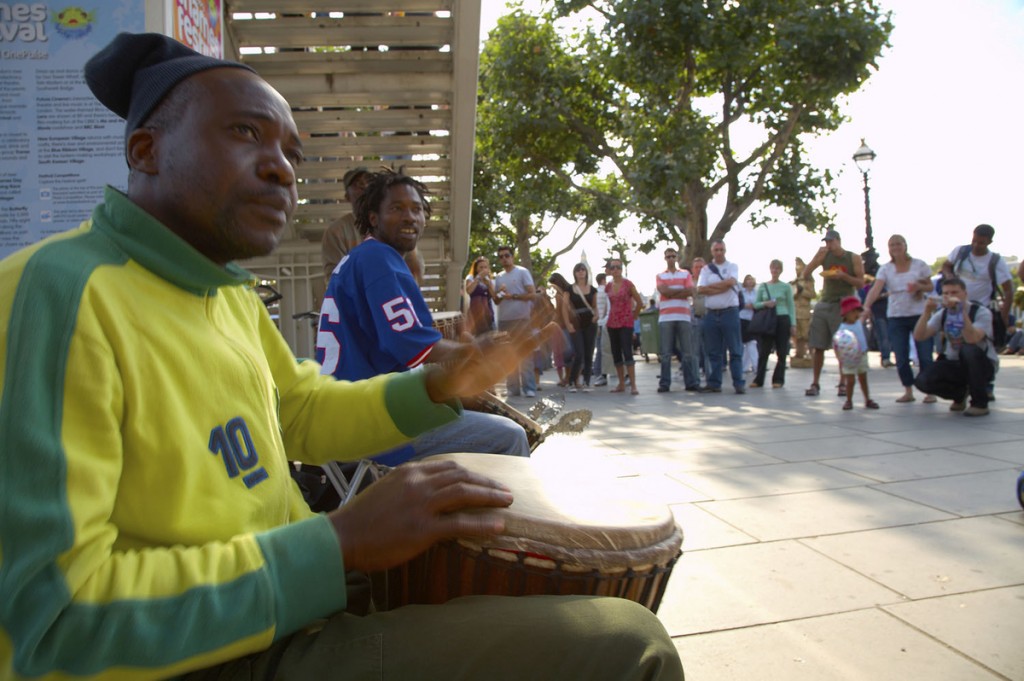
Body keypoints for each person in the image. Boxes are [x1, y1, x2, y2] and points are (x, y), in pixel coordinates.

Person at [0, 33, 684, 681]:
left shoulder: (224, 291)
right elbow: (53, 621)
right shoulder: (58, 292)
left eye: (293, 151)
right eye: (245, 132)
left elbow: (300, 409)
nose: (281, 167)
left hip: (283, 600)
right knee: (630, 644)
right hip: (208, 655)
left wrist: (434, 384)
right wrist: (334, 544)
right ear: (146, 150)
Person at [317, 169, 529, 460]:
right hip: (372, 424)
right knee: (511, 436)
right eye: (396, 208)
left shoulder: (361, 258)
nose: (409, 217)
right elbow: (412, 345)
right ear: (373, 219)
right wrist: (475, 349)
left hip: (348, 411)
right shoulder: (378, 258)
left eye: (416, 209)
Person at [861, 234, 936, 404]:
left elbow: (930, 286)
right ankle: (908, 390)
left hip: (919, 314)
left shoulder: (919, 265)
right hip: (896, 315)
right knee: (901, 356)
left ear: (905, 245)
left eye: (898, 244)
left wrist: (918, 286)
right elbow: (875, 289)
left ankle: (929, 390)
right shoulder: (886, 269)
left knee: (925, 354)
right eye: (891, 245)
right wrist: (866, 306)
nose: (895, 248)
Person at [321, 165, 425, 287]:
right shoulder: (336, 231)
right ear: (347, 197)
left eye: (368, 182)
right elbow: (334, 280)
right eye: (357, 184)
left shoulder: (394, 227)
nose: (364, 186)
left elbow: (415, 274)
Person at [913, 277, 999, 417]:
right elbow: (919, 336)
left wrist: (960, 312)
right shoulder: (943, 314)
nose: (950, 296)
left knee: (968, 350)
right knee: (923, 380)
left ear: (965, 294)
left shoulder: (981, 312)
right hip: (955, 363)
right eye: (946, 293)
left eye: (955, 292)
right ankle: (959, 395)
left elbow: (972, 339)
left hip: (982, 364)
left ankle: (980, 403)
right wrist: (926, 312)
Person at [802, 230, 865, 397]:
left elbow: (861, 283)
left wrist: (844, 276)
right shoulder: (824, 256)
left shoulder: (853, 258)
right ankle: (815, 383)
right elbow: (805, 274)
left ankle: (842, 383)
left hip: (844, 305)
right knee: (818, 345)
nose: (828, 245)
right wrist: (816, 259)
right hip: (825, 303)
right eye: (826, 242)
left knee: (842, 346)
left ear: (838, 241)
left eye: (831, 242)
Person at [696, 241, 746, 394]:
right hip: (712, 313)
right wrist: (722, 286)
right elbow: (700, 289)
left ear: (725, 250)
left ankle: (738, 382)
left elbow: (731, 282)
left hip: (729, 312)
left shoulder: (732, 266)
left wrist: (712, 288)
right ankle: (714, 383)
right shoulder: (705, 269)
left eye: (721, 250)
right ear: (712, 251)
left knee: (735, 350)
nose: (719, 252)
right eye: (716, 250)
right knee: (713, 351)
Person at [494, 245, 538, 398]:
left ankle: (529, 387)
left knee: (525, 353)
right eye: (501, 256)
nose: (504, 259)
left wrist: (513, 296)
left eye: (507, 255)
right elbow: (497, 300)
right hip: (504, 321)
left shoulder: (522, 272)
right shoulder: (498, 277)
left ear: (512, 257)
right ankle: (513, 388)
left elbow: (532, 294)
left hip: (522, 320)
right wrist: (500, 295)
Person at [655, 247, 699, 393]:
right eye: (668, 256)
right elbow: (664, 291)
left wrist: (671, 293)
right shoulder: (660, 275)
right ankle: (664, 383)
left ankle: (690, 382)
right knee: (666, 353)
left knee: (687, 352)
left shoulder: (685, 274)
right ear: (665, 258)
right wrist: (680, 292)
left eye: (673, 256)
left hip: (683, 316)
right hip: (666, 317)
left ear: (677, 258)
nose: (671, 259)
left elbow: (690, 291)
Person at [751, 259, 796, 388]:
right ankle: (758, 379)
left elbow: (791, 306)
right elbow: (756, 304)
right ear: (770, 269)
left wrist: (793, 324)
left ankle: (778, 379)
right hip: (768, 320)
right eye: (773, 268)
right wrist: (766, 303)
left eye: (777, 268)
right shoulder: (763, 286)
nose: (775, 271)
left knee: (782, 350)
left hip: (783, 318)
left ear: (780, 271)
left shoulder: (786, 287)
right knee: (764, 350)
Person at [605, 258, 645, 394]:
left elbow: (639, 302)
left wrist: (633, 317)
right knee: (616, 353)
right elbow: (605, 303)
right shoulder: (608, 286)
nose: (615, 270)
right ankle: (621, 383)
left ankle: (633, 385)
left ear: (621, 269)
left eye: (618, 267)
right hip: (612, 322)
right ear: (609, 270)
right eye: (613, 267)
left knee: (627, 352)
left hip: (625, 322)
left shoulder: (628, 284)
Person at [837, 296, 879, 410]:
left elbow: (865, 313)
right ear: (846, 313)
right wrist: (839, 357)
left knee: (863, 378)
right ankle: (849, 400)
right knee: (850, 380)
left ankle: (867, 399)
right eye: (853, 311)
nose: (856, 314)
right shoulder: (842, 328)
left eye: (857, 311)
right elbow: (838, 343)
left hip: (862, 355)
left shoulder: (859, 323)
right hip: (849, 358)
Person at [565, 262, 598, 392]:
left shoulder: (592, 289)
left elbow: (595, 306)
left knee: (589, 354)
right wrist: (567, 323)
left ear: (586, 272)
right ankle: (572, 381)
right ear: (574, 273)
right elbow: (564, 307)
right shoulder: (569, 289)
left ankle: (586, 382)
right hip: (576, 323)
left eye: (583, 270)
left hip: (590, 323)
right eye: (578, 270)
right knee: (579, 353)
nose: (581, 272)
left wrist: (596, 316)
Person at [790, 256, 816, 368]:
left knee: (806, 335)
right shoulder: (794, 282)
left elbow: (812, 295)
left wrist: (803, 291)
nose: (797, 269)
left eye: (799, 266)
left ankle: (810, 354)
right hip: (795, 311)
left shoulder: (808, 281)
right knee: (797, 335)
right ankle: (799, 354)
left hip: (805, 312)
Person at [464, 255, 497, 335]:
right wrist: (478, 278)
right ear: (476, 268)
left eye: (485, 267)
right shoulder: (471, 278)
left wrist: (489, 285)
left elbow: (495, 297)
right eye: (481, 267)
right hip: (475, 315)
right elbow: (469, 290)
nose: (483, 269)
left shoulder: (489, 280)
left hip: (488, 314)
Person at [592, 270, 612, 386]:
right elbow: (604, 310)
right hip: (605, 322)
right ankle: (602, 373)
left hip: (598, 323)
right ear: (603, 280)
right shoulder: (606, 292)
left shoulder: (594, 292)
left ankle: (598, 373)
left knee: (599, 350)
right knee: (604, 350)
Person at [739, 274, 759, 374]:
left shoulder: (756, 292)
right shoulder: (742, 292)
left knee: (751, 342)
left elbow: (758, 304)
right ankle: (752, 365)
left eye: (751, 279)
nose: (750, 281)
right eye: (748, 279)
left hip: (753, 319)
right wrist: (749, 305)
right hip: (742, 318)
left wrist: (753, 306)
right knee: (747, 343)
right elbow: (741, 304)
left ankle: (748, 365)